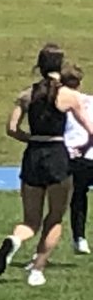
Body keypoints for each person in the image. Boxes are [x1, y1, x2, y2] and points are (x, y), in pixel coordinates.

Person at [0, 45, 93, 286]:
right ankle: (37, 269)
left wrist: (31, 139)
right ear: (61, 65)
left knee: (30, 221)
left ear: (39, 65)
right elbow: (91, 130)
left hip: (33, 156)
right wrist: (84, 147)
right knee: (55, 218)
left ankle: (15, 240)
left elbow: (12, 129)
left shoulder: (27, 94)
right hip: (57, 155)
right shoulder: (69, 96)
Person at [61, 64, 93, 255]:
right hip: (89, 153)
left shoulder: (60, 104)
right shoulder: (90, 101)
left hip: (72, 155)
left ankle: (79, 238)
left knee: (77, 196)